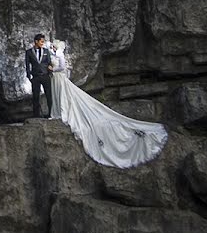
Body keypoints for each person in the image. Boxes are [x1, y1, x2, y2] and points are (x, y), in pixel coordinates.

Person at [48, 39, 167, 168]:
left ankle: (64, 112)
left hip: (59, 78)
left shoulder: (59, 54)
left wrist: (52, 69)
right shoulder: (53, 54)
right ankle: (58, 111)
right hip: (56, 80)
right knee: (60, 96)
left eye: (54, 46)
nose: (53, 48)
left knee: (68, 98)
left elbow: (62, 67)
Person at [24, 33, 53, 118]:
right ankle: (36, 115)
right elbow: (27, 64)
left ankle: (50, 113)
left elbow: (49, 62)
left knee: (49, 95)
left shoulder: (46, 51)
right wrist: (29, 76)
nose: (42, 43)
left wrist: (50, 72)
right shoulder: (29, 52)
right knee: (35, 96)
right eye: (41, 41)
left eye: (43, 41)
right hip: (35, 76)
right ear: (36, 41)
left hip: (45, 75)